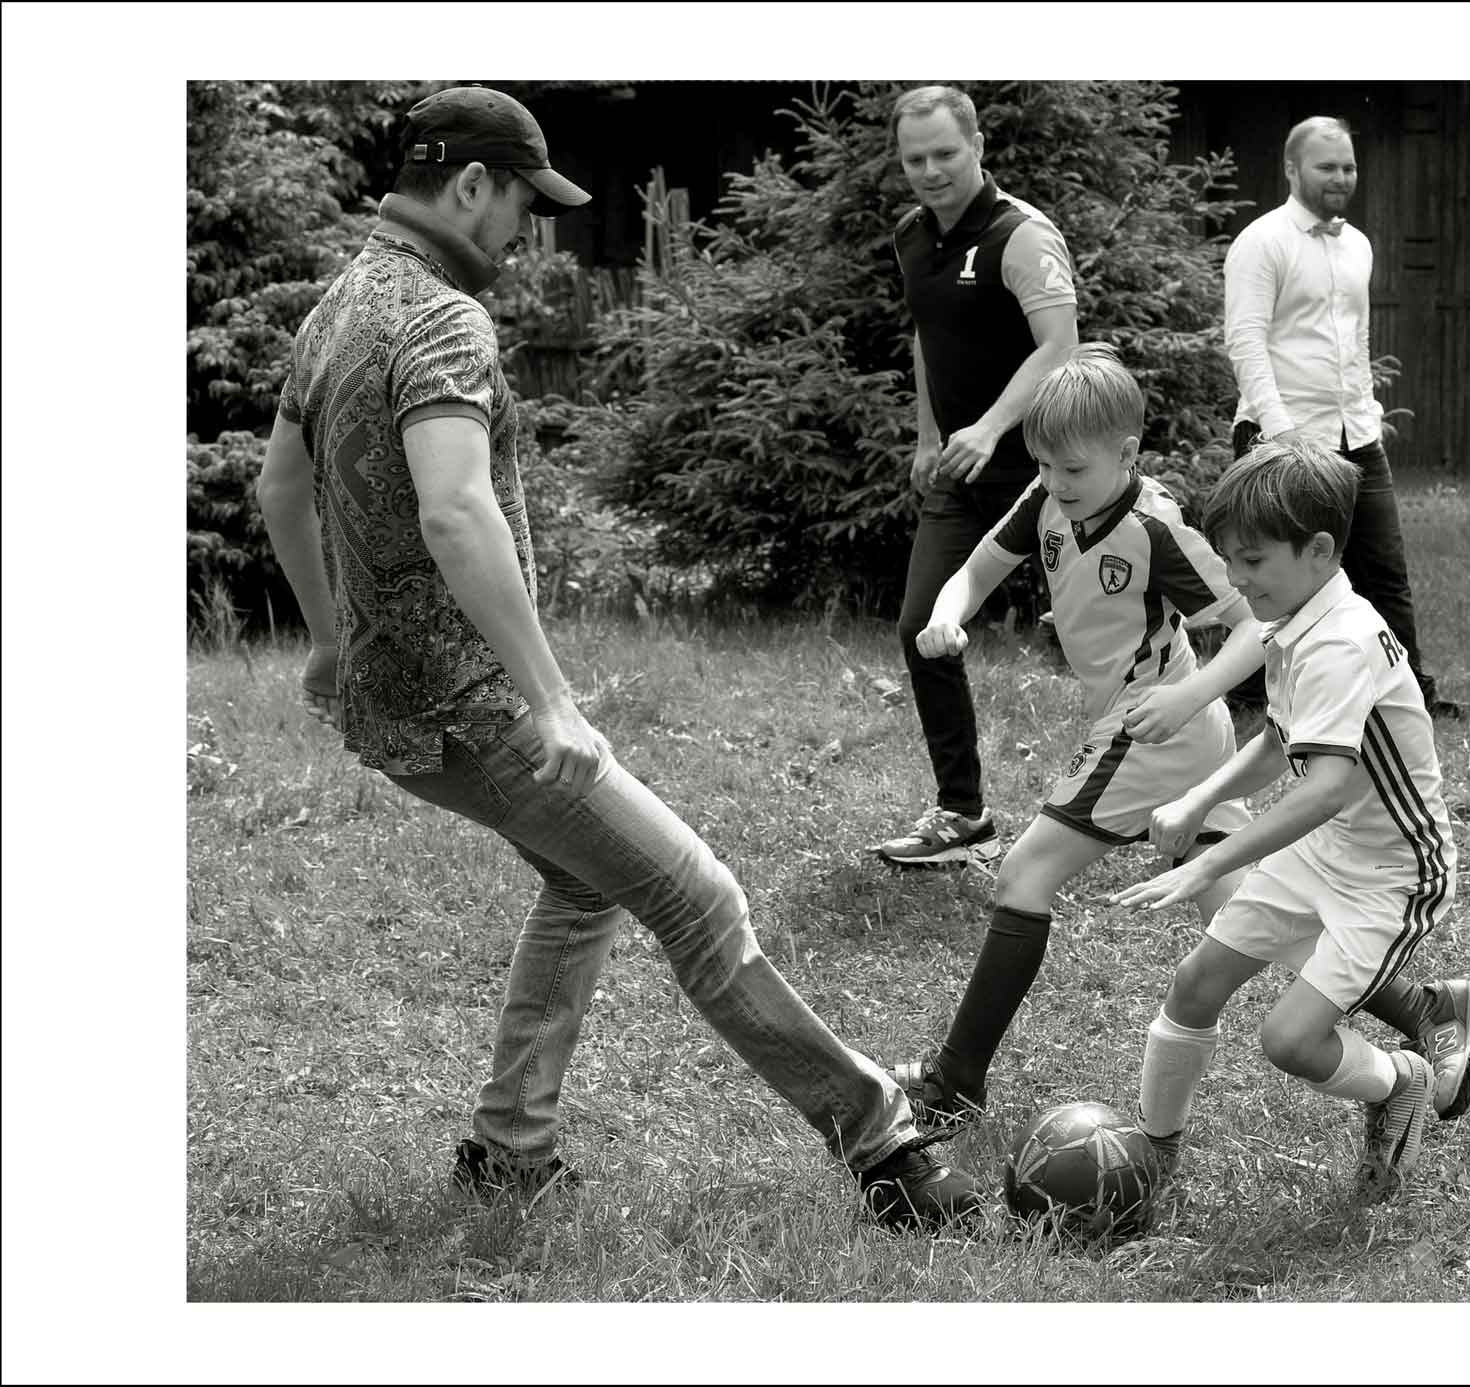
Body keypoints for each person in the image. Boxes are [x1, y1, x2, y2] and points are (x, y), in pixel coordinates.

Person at [253, 85, 978, 1232]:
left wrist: (332, 642)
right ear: (472, 185)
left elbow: (280, 486)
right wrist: (550, 700)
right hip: (474, 704)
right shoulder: (443, 318)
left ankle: (507, 1150)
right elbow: (454, 512)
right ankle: (881, 1136)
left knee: (587, 881)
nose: (523, 232)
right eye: (519, 206)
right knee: (700, 899)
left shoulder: (339, 305)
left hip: (395, 708)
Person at [886, 344, 1269, 1128]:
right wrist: (946, 616)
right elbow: (978, 569)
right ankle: (1422, 1006)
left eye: (1073, 471)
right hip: (1173, 731)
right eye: (1046, 467)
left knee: (1021, 878)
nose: (1056, 485)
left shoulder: (1156, 528)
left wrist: (1185, 695)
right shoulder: (1049, 498)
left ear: (1127, 454)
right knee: (1245, 918)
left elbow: (1254, 628)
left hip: (1151, 726)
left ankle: (955, 1081)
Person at [1113, 436, 1470, 1204]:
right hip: (1326, 847)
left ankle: (1398, 1081)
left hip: (1392, 873)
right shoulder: (1299, 615)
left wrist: (1211, 861)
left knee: (1288, 1040)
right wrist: (1196, 799)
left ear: (1317, 550)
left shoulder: (1339, 642)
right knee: (1195, 983)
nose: (1236, 580)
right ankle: (1152, 1155)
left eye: (1252, 561)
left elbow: (1320, 787)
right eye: (1229, 560)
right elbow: (1286, 738)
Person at [873, 84, 1081, 867]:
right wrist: (930, 433)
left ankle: (1185, 801)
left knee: (1106, 634)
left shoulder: (1021, 237)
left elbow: (1059, 346)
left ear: (978, 145)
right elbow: (927, 336)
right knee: (921, 629)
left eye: (944, 155)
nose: (929, 171)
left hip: (1049, 469)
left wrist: (992, 427)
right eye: (914, 158)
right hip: (960, 472)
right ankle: (962, 816)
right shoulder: (910, 234)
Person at [1223, 115, 1458, 719]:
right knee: (1273, 573)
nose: (1341, 177)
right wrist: (1280, 434)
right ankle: (1253, 697)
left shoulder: (1357, 245)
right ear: (1292, 168)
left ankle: (1411, 694)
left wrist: (1368, 412)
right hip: (1282, 439)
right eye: (1327, 166)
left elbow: (1356, 338)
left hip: (1355, 433)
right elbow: (1246, 341)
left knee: (1385, 572)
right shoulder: (1262, 242)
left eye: (1348, 166)